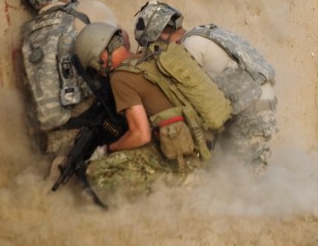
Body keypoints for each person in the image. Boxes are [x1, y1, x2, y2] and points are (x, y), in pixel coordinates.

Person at [74, 21, 229, 194]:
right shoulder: (154, 53)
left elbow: (141, 134)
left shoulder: (121, 78)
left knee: (96, 172)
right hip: (208, 143)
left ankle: (181, 183)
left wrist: (108, 149)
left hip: (187, 158)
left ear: (100, 60)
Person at [133, 0, 278, 169]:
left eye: (153, 44)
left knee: (245, 173)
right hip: (261, 102)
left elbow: (191, 95)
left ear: (162, 33)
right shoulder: (203, 33)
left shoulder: (189, 47)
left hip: (250, 110)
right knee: (244, 168)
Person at [18, 0, 117, 156]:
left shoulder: (28, 33)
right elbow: (119, 51)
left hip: (55, 134)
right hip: (94, 118)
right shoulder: (86, 10)